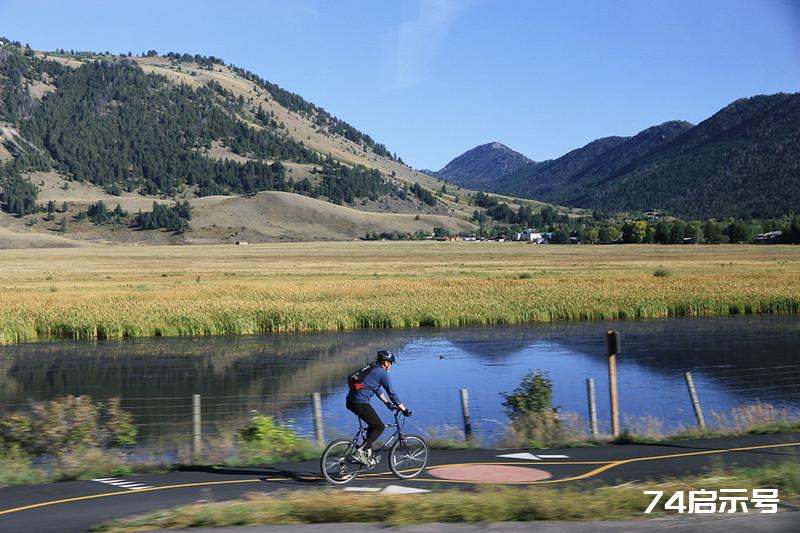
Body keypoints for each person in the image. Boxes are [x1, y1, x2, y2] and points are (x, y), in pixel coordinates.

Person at [346, 350, 411, 465]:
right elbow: (392, 394)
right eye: (391, 363)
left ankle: (367, 454)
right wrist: (404, 409)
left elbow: (376, 389)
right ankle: (361, 451)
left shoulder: (372, 367)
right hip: (359, 402)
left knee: (373, 425)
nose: (391, 365)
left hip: (351, 401)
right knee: (379, 427)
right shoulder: (382, 373)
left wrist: (387, 404)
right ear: (386, 362)